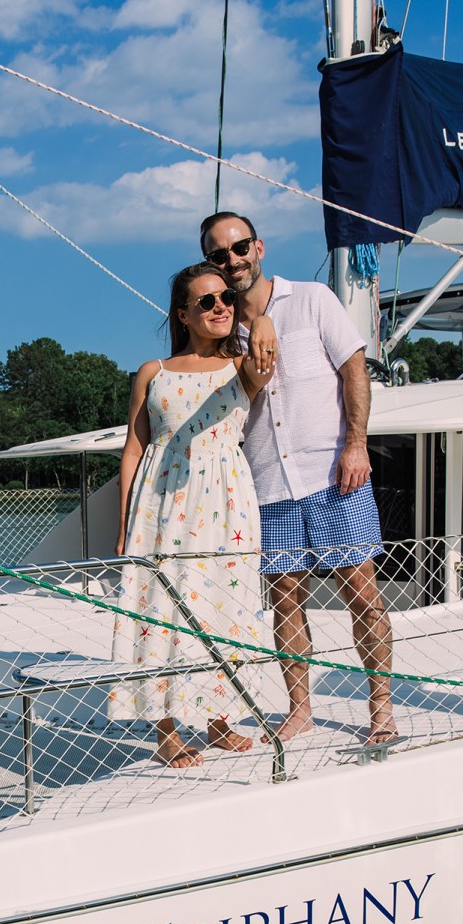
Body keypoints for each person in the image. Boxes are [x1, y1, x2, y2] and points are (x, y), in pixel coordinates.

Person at [199, 211, 397, 746]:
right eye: (219, 255)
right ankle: (300, 709)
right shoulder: (220, 329)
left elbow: (354, 368)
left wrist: (356, 443)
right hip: (267, 484)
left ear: (258, 247)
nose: (232, 261)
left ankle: (381, 706)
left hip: (334, 472)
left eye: (239, 248)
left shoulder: (313, 299)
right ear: (211, 263)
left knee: (361, 591)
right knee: (286, 597)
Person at [110, 263, 275, 767]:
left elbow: (267, 357)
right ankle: (166, 731)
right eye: (206, 301)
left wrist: (260, 319)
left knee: (224, 606)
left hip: (226, 503)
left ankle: (219, 720)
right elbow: (134, 450)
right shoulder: (152, 372)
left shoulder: (243, 365)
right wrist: (123, 525)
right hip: (159, 506)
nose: (220, 305)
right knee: (160, 608)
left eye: (225, 296)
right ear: (184, 314)